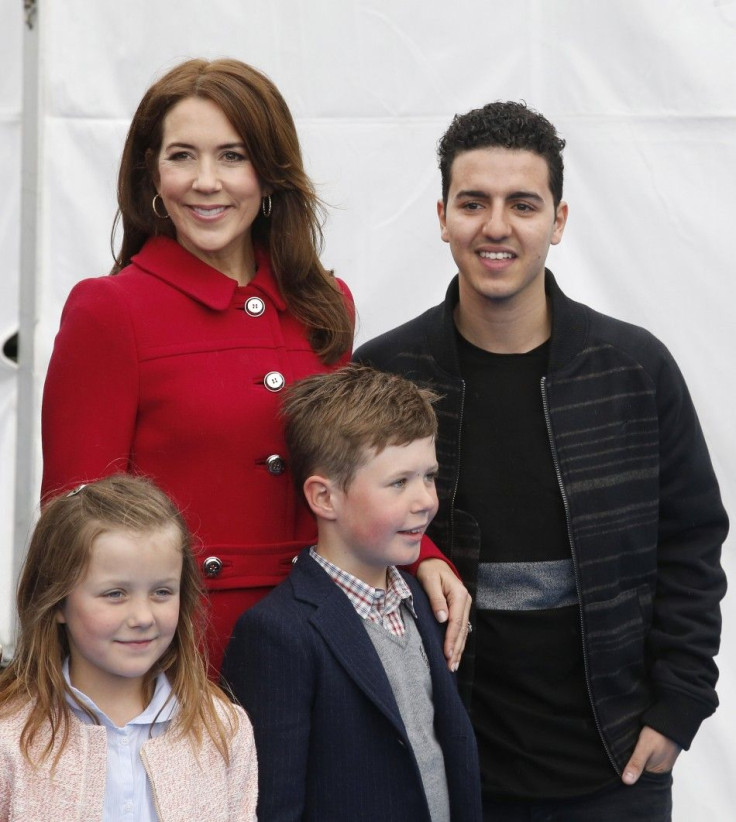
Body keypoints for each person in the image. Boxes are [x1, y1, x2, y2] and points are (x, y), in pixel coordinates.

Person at [354, 101, 728, 820]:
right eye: (473, 203)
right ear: (442, 216)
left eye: (522, 204)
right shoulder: (387, 374)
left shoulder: (633, 369)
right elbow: (346, 550)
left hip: (615, 769)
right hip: (440, 766)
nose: (496, 226)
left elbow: (692, 542)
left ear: (558, 221)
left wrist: (679, 705)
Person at [40, 57, 466, 673]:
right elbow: (72, 524)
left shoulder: (323, 302)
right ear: (151, 176)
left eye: (233, 156)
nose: (205, 181)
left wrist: (421, 552)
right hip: (181, 651)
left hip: (323, 634)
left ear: (270, 174)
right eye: (181, 156)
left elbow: (349, 468)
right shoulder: (109, 311)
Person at [221, 365, 482, 822]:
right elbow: (273, 803)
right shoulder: (277, 632)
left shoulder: (422, 602)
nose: (425, 500)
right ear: (324, 498)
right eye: (399, 482)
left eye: (429, 476)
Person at [0, 474, 258, 821]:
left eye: (162, 592)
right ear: (58, 602)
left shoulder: (223, 729)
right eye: (115, 594)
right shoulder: (10, 739)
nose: (142, 617)